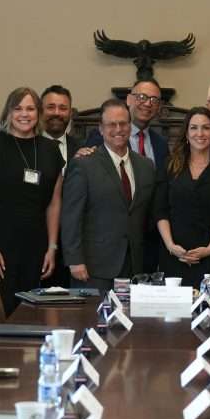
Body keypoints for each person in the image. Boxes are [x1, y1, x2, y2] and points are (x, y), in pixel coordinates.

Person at [0, 87, 64, 314]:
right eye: (18, 108)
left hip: (36, 248)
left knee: (32, 313)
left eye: (30, 109)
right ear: (8, 112)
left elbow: (54, 204)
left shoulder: (51, 150)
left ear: (38, 113)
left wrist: (52, 247)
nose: (24, 114)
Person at [62, 99, 157, 293]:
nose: (118, 129)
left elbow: (148, 215)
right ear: (101, 129)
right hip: (94, 268)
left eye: (123, 123)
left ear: (130, 126)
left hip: (136, 266)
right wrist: (74, 260)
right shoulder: (84, 164)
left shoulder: (146, 166)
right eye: (111, 124)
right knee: (94, 314)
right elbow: (71, 216)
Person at [155, 107, 210, 288]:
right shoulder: (170, 165)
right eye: (194, 128)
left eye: (206, 128)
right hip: (174, 256)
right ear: (186, 133)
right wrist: (170, 246)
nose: (200, 133)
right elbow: (160, 210)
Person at [41, 85, 81, 163]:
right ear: (40, 111)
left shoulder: (81, 148)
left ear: (70, 113)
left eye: (63, 108)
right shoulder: (29, 146)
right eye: (51, 107)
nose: (56, 113)